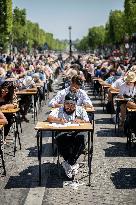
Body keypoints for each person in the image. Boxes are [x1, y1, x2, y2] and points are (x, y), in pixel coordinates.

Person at [47, 92, 89, 178]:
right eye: (67, 104)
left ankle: (68, 162)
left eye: (72, 104)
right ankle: (71, 163)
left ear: (75, 105)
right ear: (64, 103)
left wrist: (80, 121)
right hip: (63, 132)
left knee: (82, 138)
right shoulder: (59, 110)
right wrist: (59, 120)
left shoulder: (80, 110)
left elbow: (87, 121)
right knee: (60, 138)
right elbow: (49, 118)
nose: (69, 107)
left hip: (77, 132)